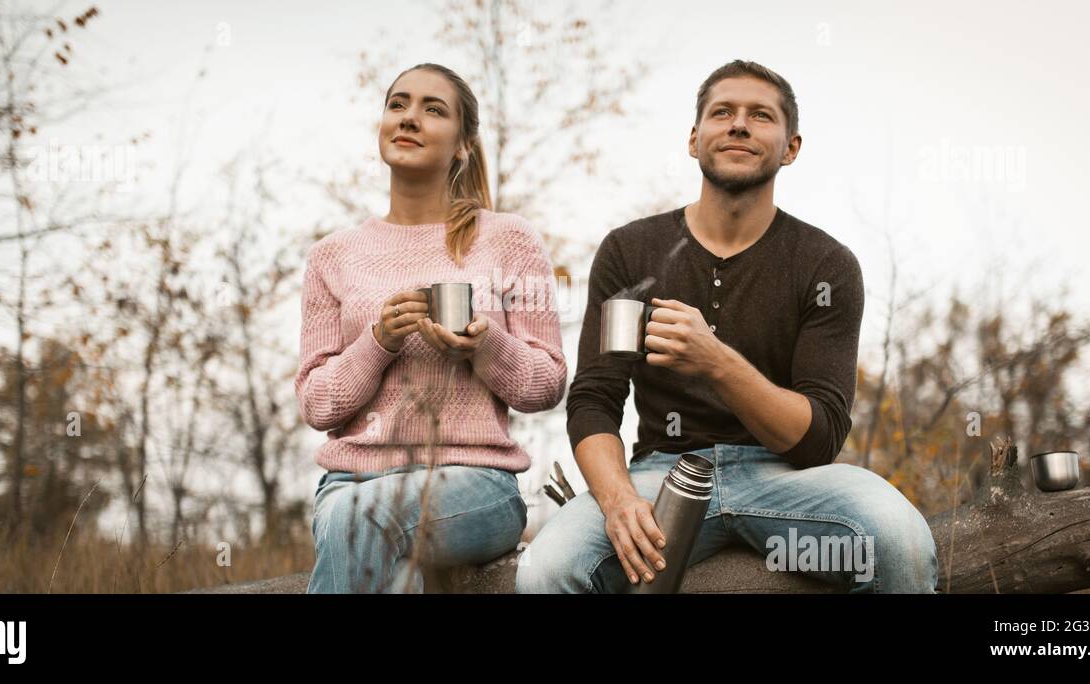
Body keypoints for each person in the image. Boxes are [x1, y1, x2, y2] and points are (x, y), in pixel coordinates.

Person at [515, 60, 938, 594]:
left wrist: (714, 360)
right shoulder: (631, 251)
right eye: (723, 113)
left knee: (899, 540)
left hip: (787, 481)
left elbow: (818, 439)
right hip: (659, 477)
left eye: (761, 116)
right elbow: (595, 399)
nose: (739, 125)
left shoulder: (826, 263)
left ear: (791, 147)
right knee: (547, 570)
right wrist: (619, 499)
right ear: (694, 140)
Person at [298, 63, 567, 593]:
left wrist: (484, 345)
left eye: (432, 109)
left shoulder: (510, 239)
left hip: (476, 486)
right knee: (371, 536)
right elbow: (317, 405)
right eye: (398, 104)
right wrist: (377, 344)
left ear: (463, 145)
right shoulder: (332, 255)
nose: (409, 118)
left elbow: (547, 384)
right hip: (351, 482)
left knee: (362, 520)